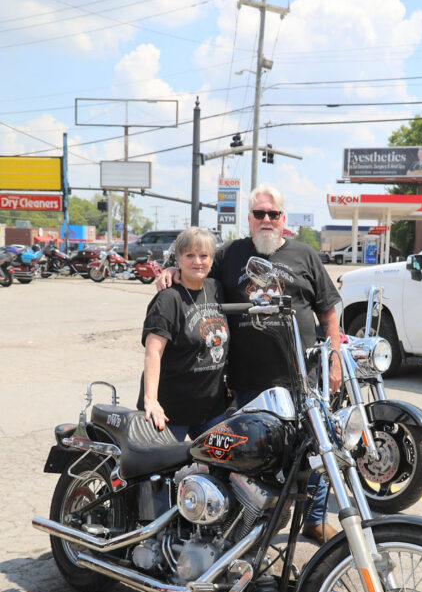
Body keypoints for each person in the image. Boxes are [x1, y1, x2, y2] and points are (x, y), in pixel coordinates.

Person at [156, 184, 342, 543]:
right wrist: (169, 271)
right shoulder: (230, 255)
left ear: (284, 219)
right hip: (249, 384)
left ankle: (315, 520)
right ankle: (245, 529)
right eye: (259, 214)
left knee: (319, 450)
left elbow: (329, 314)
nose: (267, 220)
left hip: (303, 380)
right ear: (249, 219)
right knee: (251, 463)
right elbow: (196, 264)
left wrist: (334, 363)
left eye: (273, 214)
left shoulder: (305, 254)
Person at [138, 227, 229, 441]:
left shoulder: (216, 289)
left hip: (211, 410)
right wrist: (151, 400)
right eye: (190, 255)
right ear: (178, 260)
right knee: (159, 472)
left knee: (221, 470)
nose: (197, 261)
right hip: (171, 411)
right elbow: (153, 352)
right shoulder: (168, 299)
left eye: (203, 255)